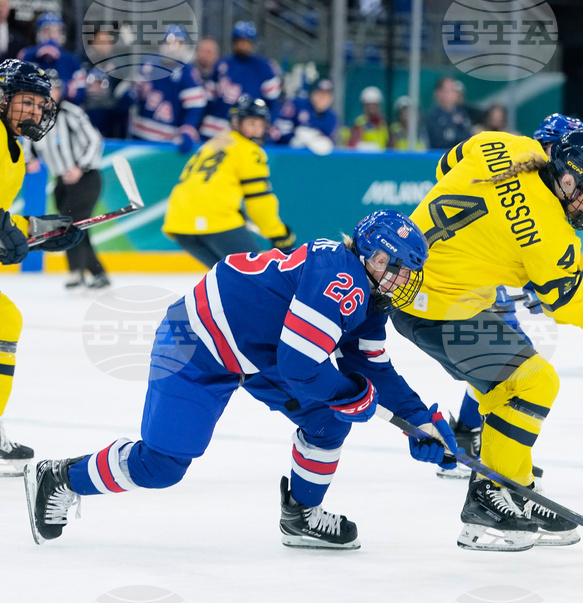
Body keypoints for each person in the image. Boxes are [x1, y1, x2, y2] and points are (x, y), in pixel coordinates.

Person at [25, 211, 461, 548]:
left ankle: (301, 515)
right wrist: (351, 395)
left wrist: (417, 418)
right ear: (369, 252)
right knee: (161, 466)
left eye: (405, 271)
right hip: (196, 341)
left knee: (327, 422)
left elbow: (372, 367)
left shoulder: (363, 288)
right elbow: (302, 367)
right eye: (392, 265)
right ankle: (61, 477)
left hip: (255, 351)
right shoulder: (341, 274)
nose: (398, 279)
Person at [391, 127, 583, 551]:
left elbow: (446, 167)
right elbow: (568, 305)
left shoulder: (504, 145)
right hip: (433, 308)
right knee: (534, 381)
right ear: (567, 178)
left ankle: (516, 489)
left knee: (506, 386)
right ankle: (487, 504)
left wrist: (488, 243)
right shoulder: (550, 233)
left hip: (415, 286)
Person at [435, 112, 582, 481]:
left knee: (510, 358)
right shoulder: (525, 169)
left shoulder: (527, 168)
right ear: (547, 145)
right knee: (511, 363)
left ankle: (474, 437)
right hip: (464, 275)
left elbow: (446, 166)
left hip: (480, 271)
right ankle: (475, 439)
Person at [0, 59, 84, 468]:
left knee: (4, 321)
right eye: (27, 102)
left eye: (39, 106)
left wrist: (41, 233)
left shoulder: (12, 149)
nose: (34, 112)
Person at [163, 95, 295, 268]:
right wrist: (278, 233)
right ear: (236, 122)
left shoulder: (213, 143)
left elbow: (201, 186)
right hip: (215, 221)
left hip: (179, 223)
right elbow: (259, 201)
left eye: (260, 125)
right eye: (251, 123)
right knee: (257, 277)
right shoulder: (249, 150)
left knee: (229, 280)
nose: (256, 130)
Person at [26, 69, 109, 290]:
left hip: (86, 178)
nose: (52, 93)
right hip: (61, 182)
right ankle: (96, 273)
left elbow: (94, 141)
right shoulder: (34, 119)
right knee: (76, 227)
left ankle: (78, 272)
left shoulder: (71, 113)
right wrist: (28, 160)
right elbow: (29, 146)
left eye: (55, 88)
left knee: (70, 225)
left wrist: (80, 167)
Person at [126, 24, 206, 154]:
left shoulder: (188, 73)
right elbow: (135, 94)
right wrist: (129, 96)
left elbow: (195, 108)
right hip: (138, 135)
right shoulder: (148, 63)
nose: (173, 46)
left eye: (178, 43)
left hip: (166, 141)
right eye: (169, 41)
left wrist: (188, 130)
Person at [200, 22, 282, 138]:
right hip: (218, 127)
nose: (243, 45)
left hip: (249, 128)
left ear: (253, 43)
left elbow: (273, 102)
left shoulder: (264, 67)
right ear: (234, 42)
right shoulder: (222, 64)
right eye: (240, 41)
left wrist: (268, 126)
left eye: (246, 42)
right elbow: (208, 99)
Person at [17, 13, 85, 106]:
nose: (51, 36)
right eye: (46, 31)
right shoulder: (27, 55)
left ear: (61, 34)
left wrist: (63, 89)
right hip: (34, 108)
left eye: (55, 31)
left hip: (63, 110)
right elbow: (18, 88)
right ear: (38, 33)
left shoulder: (71, 59)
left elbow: (81, 93)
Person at [274, 78, 338, 154]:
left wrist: (312, 138)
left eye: (326, 96)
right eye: (320, 94)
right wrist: (294, 138)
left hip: (315, 159)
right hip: (284, 153)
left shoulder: (331, 117)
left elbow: (327, 144)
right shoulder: (297, 104)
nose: (323, 99)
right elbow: (279, 130)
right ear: (313, 94)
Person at [424, 77, 473, 151]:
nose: (450, 94)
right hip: (438, 156)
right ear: (438, 92)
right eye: (447, 90)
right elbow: (439, 141)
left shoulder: (462, 113)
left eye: (453, 90)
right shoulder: (432, 115)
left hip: (459, 156)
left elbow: (467, 137)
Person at [348, 86, 389, 150]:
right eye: (368, 105)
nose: (371, 108)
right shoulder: (359, 123)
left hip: (383, 157)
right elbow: (354, 144)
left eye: (374, 105)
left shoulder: (384, 122)